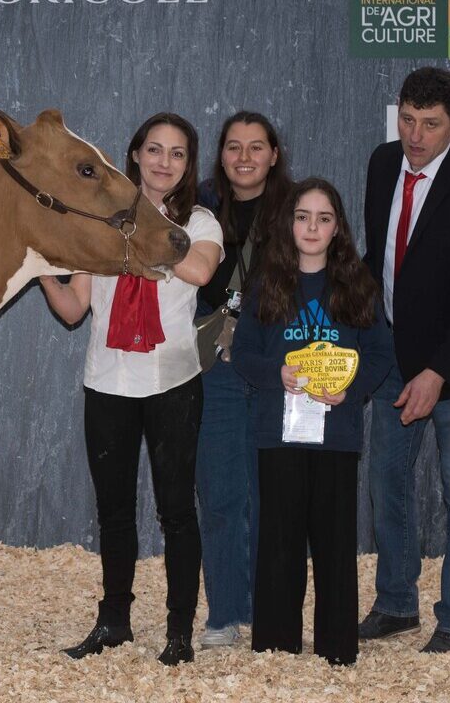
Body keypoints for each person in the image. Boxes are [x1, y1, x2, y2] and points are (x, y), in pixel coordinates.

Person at [40, 112, 223, 666]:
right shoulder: (100, 219)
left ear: (188, 165)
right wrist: (42, 266)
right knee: (114, 511)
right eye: (154, 150)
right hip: (109, 381)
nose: (163, 161)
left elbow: (200, 273)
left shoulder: (199, 220)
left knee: (175, 511)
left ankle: (179, 632)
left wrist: (143, 234)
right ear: (136, 155)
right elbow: (73, 309)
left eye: (177, 153)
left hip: (172, 381)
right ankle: (113, 622)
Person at [359, 67, 450, 653]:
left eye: (431, 125)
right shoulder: (380, 162)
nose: (415, 136)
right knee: (387, 484)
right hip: (391, 351)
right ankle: (396, 603)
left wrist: (437, 373)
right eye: (408, 120)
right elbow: (377, 261)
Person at [232, 178, 393, 666]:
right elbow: (242, 354)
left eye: (324, 218)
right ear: (289, 222)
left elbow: (381, 353)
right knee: (279, 540)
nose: (312, 227)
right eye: (303, 216)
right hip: (278, 432)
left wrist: (352, 389)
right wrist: (277, 373)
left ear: (338, 227)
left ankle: (336, 650)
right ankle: (277, 648)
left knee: (335, 542)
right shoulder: (266, 283)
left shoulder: (357, 285)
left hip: (337, 432)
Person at [193, 111, 292, 648]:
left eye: (257, 147)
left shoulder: (301, 204)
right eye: (234, 146)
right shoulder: (197, 203)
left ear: (274, 154)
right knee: (221, 491)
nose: (245, 157)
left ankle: (269, 611)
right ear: (221, 154)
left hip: (281, 367)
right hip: (216, 366)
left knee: (273, 492)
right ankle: (224, 613)